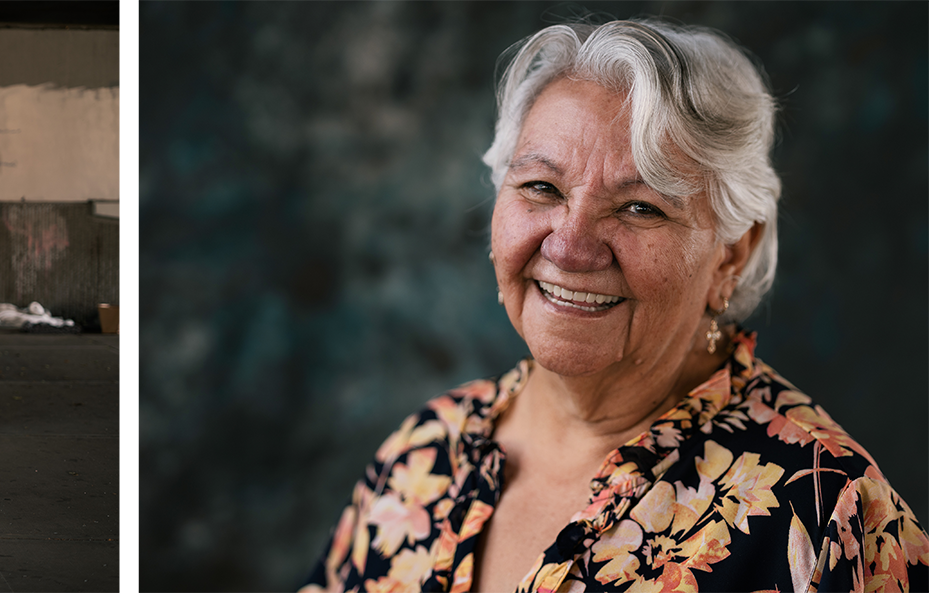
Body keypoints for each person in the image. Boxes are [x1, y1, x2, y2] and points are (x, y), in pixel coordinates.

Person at [301, 18, 928, 593]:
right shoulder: (423, 457)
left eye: (639, 207)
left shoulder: (827, 511)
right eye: (541, 188)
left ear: (732, 253)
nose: (570, 247)